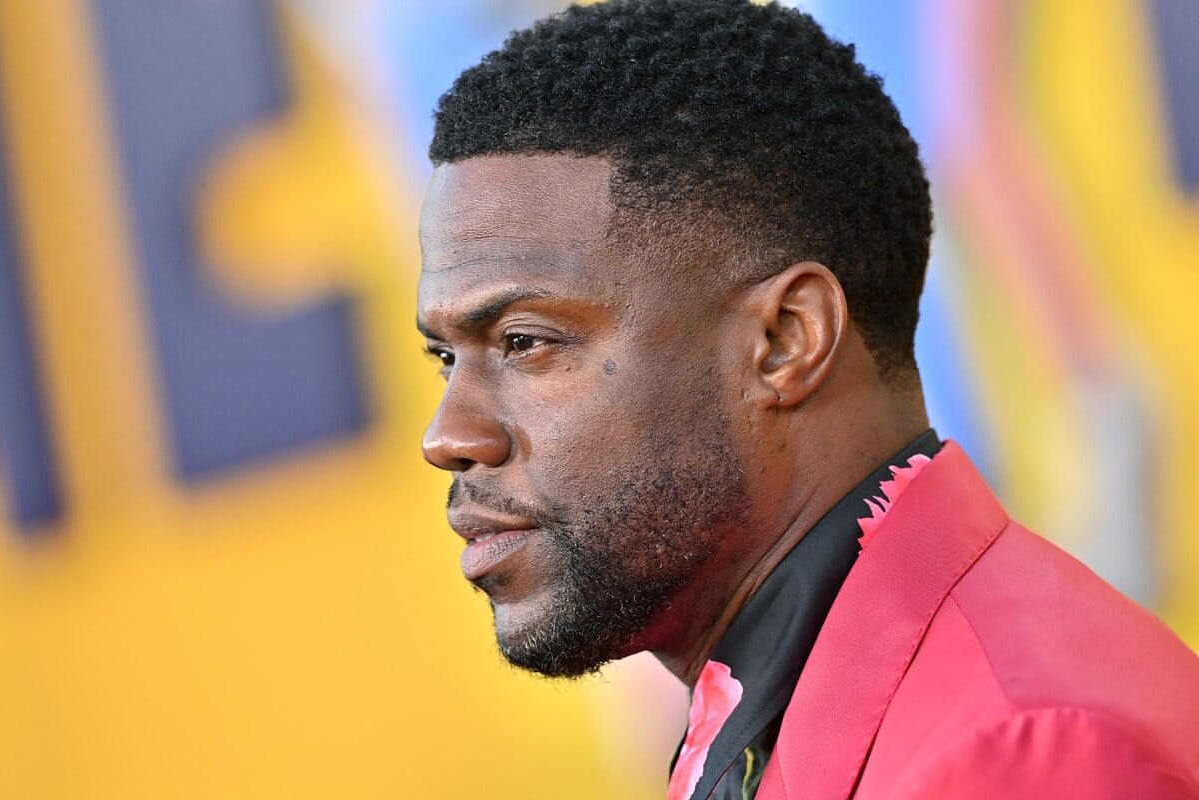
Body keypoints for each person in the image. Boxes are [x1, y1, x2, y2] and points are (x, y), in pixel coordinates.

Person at [415, 1, 1199, 797]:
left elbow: (981, 131)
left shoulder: (1020, 757)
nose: (448, 435)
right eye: (444, 357)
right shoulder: (771, 724)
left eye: (525, 342)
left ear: (786, 340)